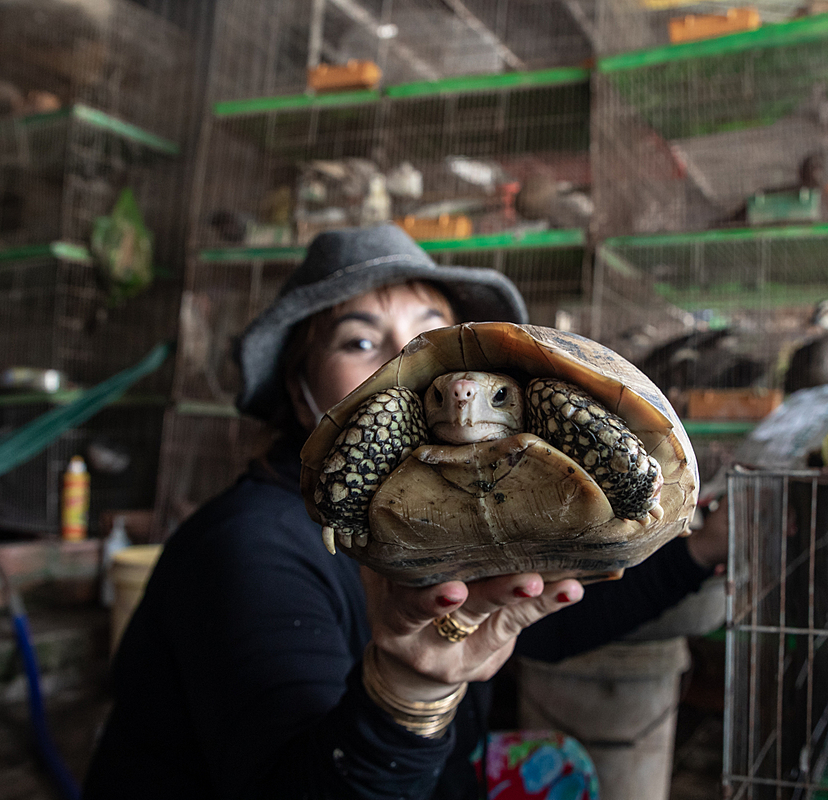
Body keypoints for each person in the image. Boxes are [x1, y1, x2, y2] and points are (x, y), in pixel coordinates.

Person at [83, 224, 727, 800]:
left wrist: (700, 548)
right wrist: (406, 691)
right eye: (361, 341)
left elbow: (547, 617)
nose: (407, 363)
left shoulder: (483, 504)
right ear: (301, 392)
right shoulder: (250, 549)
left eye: (427, 331)